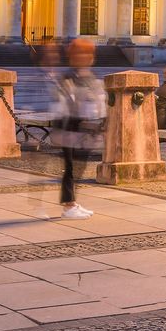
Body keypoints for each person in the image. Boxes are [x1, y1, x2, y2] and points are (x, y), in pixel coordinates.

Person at [54, 38, 106, 220]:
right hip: (69, 126)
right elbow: (66, 102)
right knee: (71, 167)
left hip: (84, 127)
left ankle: (72, 202)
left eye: (89, 53)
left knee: (78, 166)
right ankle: (68, 206)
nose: (87, 57)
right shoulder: (68, 77)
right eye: (82, 53)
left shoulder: (88, 75)